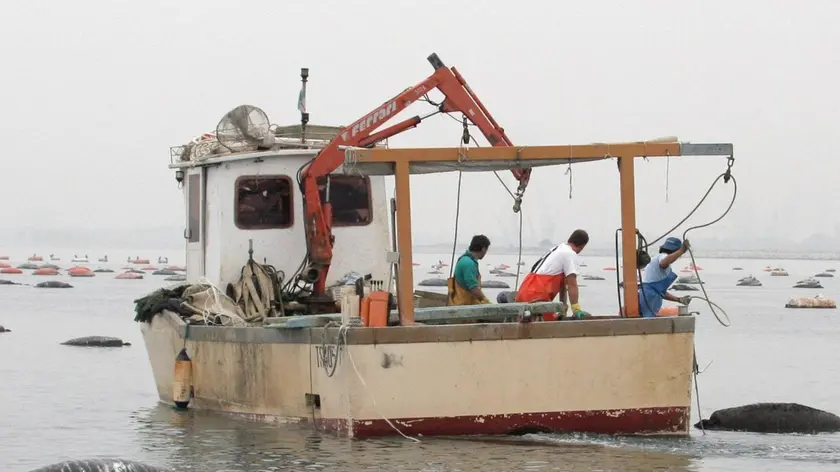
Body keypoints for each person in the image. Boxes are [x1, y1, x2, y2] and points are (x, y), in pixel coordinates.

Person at [515, 229, 590, 320]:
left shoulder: (559, 248)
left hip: (524, 292)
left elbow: (563, 286)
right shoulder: (569, 254)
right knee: (551, 329)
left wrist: (563, 309)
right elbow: (572, 285)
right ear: (583, 246)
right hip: (536, 297)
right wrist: (576, 309)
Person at [638, 236, 693, 318]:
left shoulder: (656, 263)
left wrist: (678, 299)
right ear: (675, 251)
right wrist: (681, 251)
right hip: (650, 297)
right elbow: (663, 263)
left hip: (650, 295)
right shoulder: (662, 256)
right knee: (648, 322)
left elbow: (660, 291)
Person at [448, 235, 492, 305]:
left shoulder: (465, 260)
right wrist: (486, 301)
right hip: (463, 307)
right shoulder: (468, 263)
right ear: (483, 248)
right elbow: (473, 287)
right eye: (486, 250)